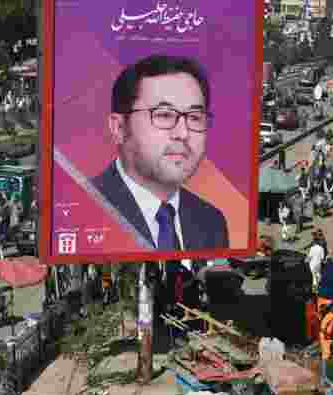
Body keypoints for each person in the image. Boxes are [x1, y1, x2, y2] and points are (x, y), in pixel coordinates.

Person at [90, 54, 229, 250]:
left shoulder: (211, 222)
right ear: (119, 127)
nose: (183, 133)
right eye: (164, 115)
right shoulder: (85, 208)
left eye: (195, 117)